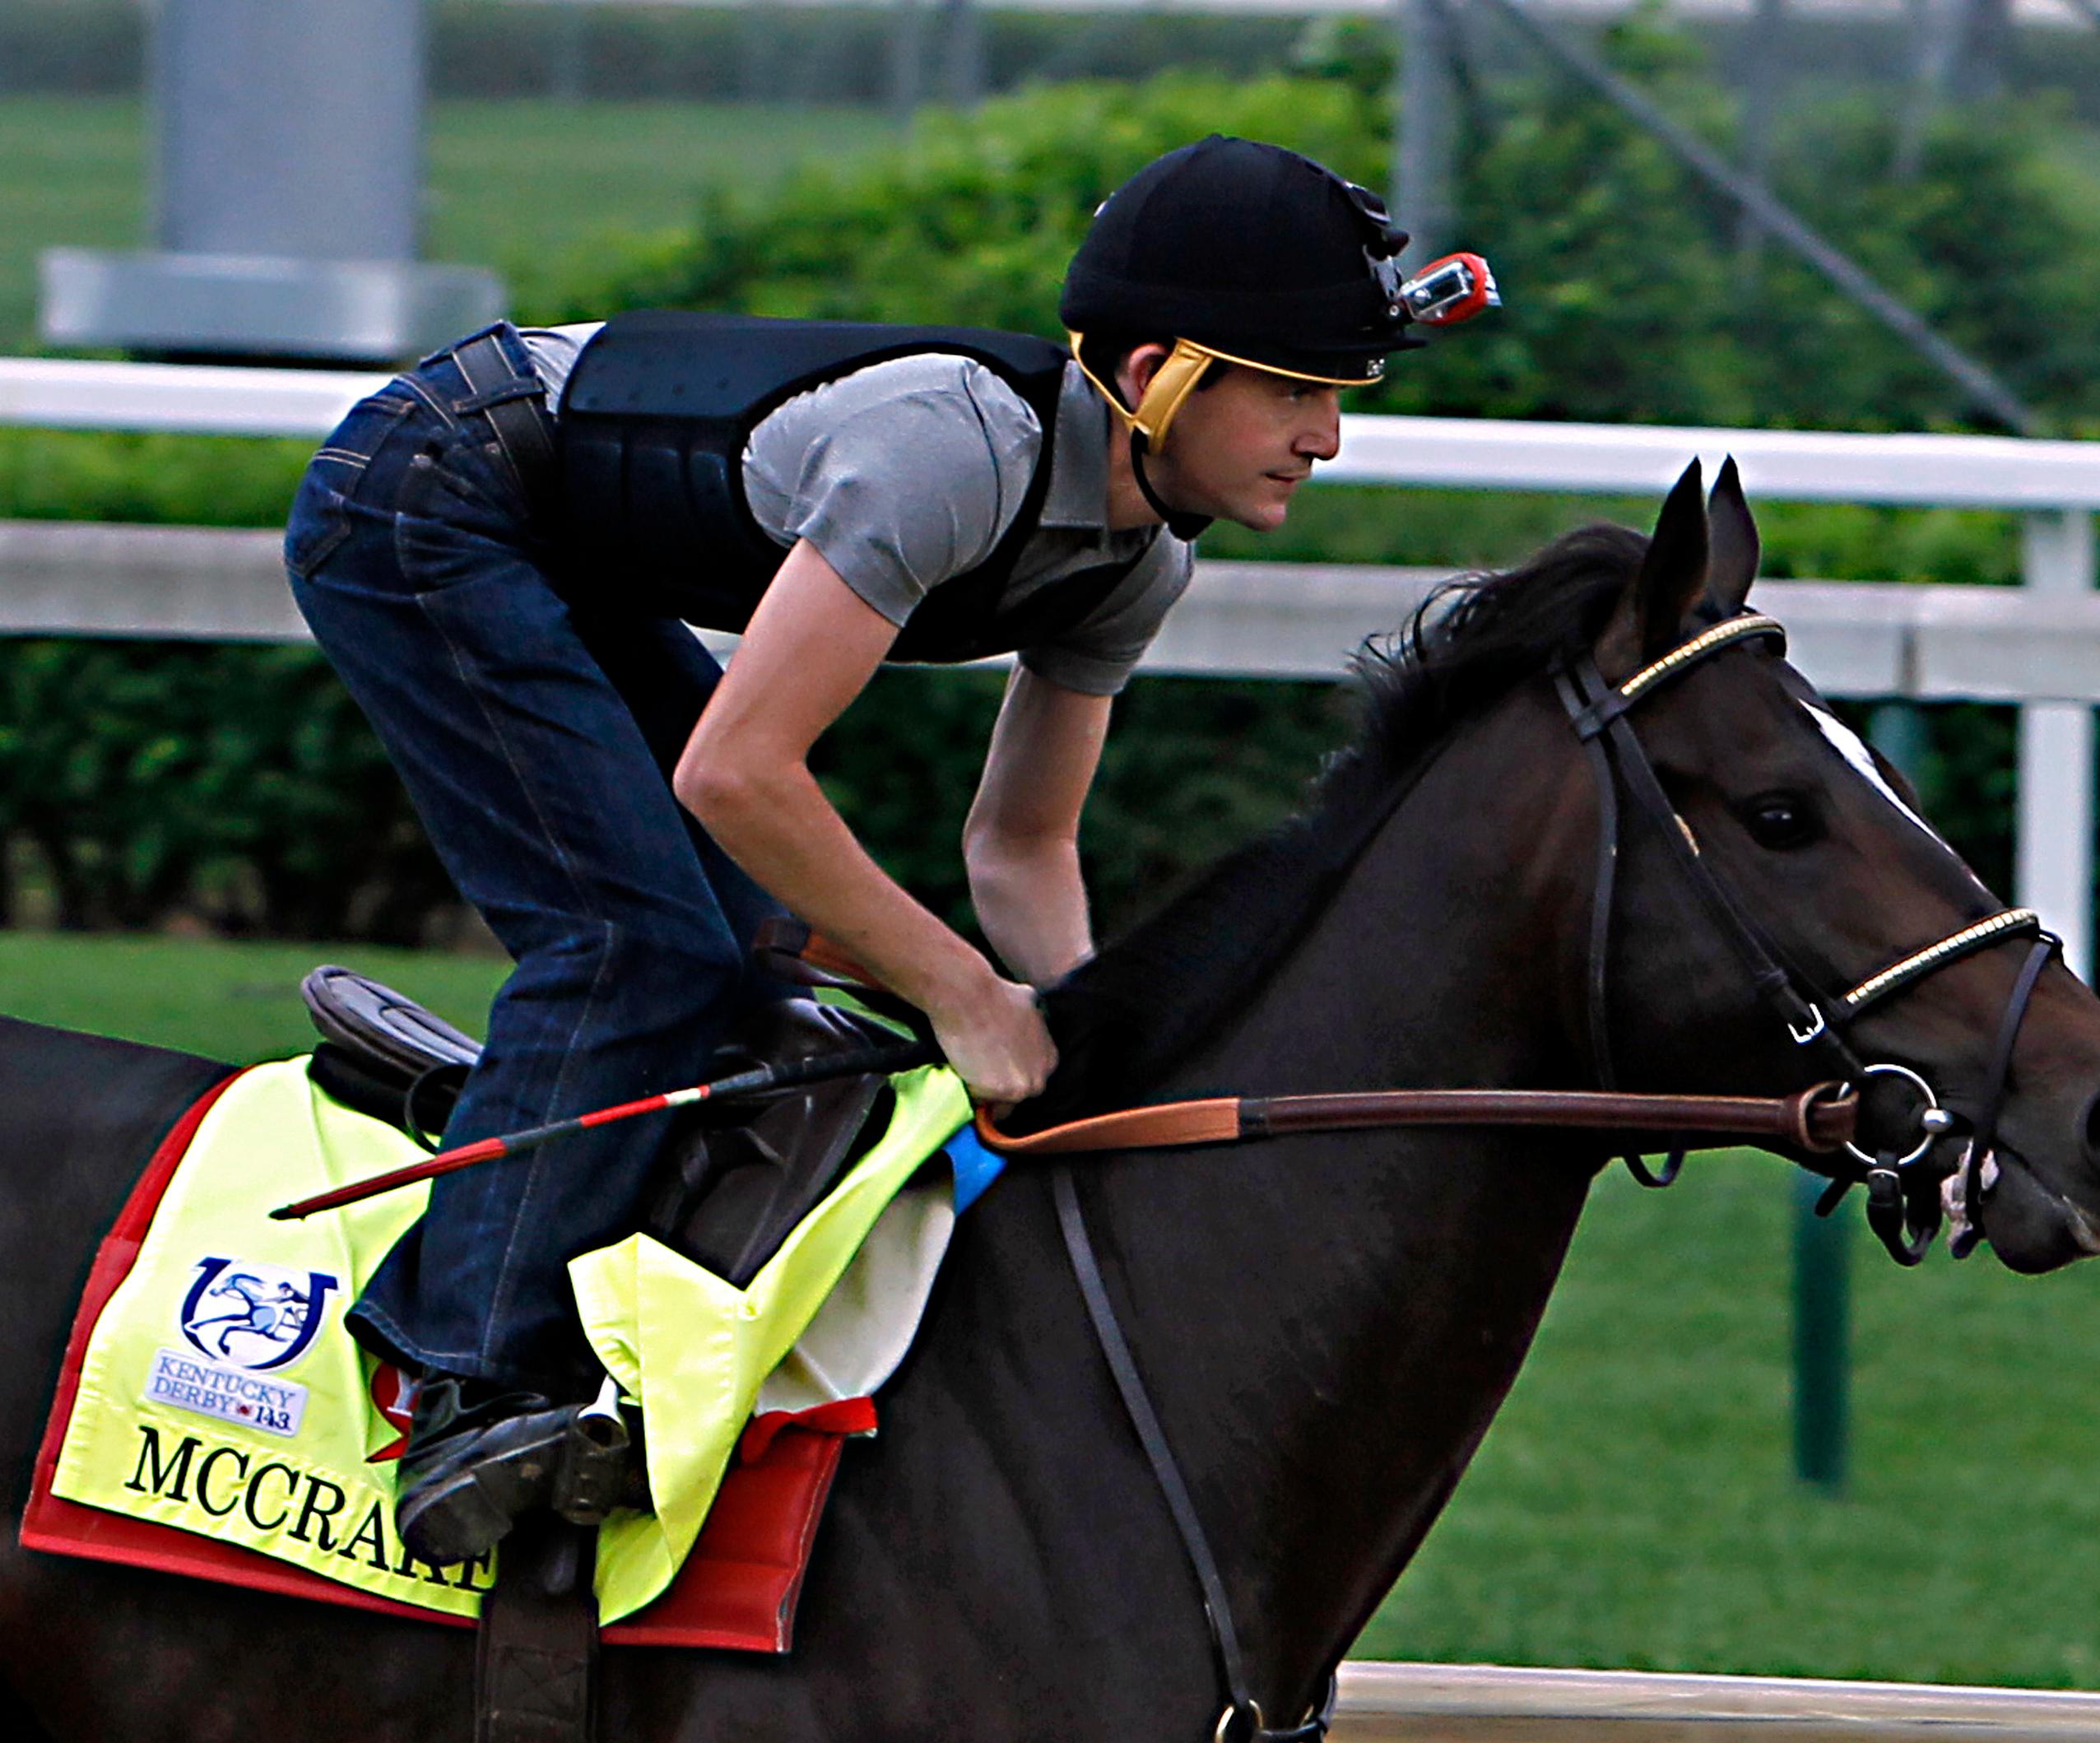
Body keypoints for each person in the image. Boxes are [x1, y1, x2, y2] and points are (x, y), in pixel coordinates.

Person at [283, 134, 1494, 1566]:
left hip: (556, 540)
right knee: (636, 946)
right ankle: (466, 1384)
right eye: (1295, 391)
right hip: (426, 490)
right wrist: (965, 994)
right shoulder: (952, 457)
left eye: (1339, 397)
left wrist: (1097, 1049)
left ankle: (552, 1182)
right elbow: (736, 772)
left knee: (747, 955)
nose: (1327, 438)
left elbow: (1021, 846)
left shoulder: (1137, 560)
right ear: (1159, 374)